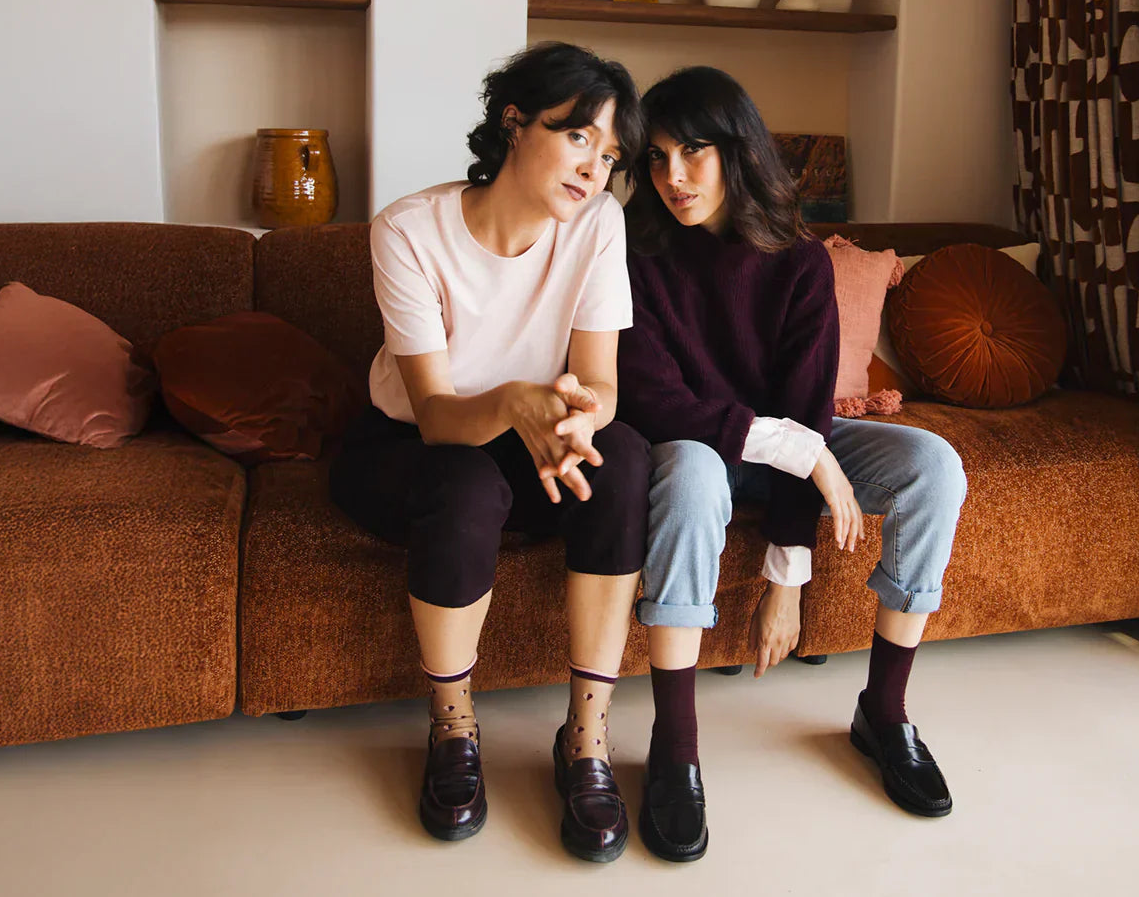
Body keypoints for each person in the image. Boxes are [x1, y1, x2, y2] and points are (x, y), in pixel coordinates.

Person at [618, 66, 968, 863]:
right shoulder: (636, 255)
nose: (674, 177)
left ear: (738, 152)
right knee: (696, 468)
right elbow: (655, 401)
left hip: (792, 437)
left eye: (694, 153)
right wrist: (803, 453)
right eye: (659, 158)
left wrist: (787, 575)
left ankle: (884, 712)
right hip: (700, 446)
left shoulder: (798, 261)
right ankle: (675, 745)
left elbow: (808, 407)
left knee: (935, 465)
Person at [329, 42, 649, 863]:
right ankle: (453, 730)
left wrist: (583, 418)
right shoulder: (409, 229)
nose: (593, 169)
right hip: (412, 445)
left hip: (534, 432)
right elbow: (436, 414)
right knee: (466, 484)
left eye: (608, 155)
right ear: (514, 121)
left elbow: (602, 384)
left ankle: (585, 739)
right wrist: (514, 401)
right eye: (578, 136)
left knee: (626, 462)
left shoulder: (600, 226)